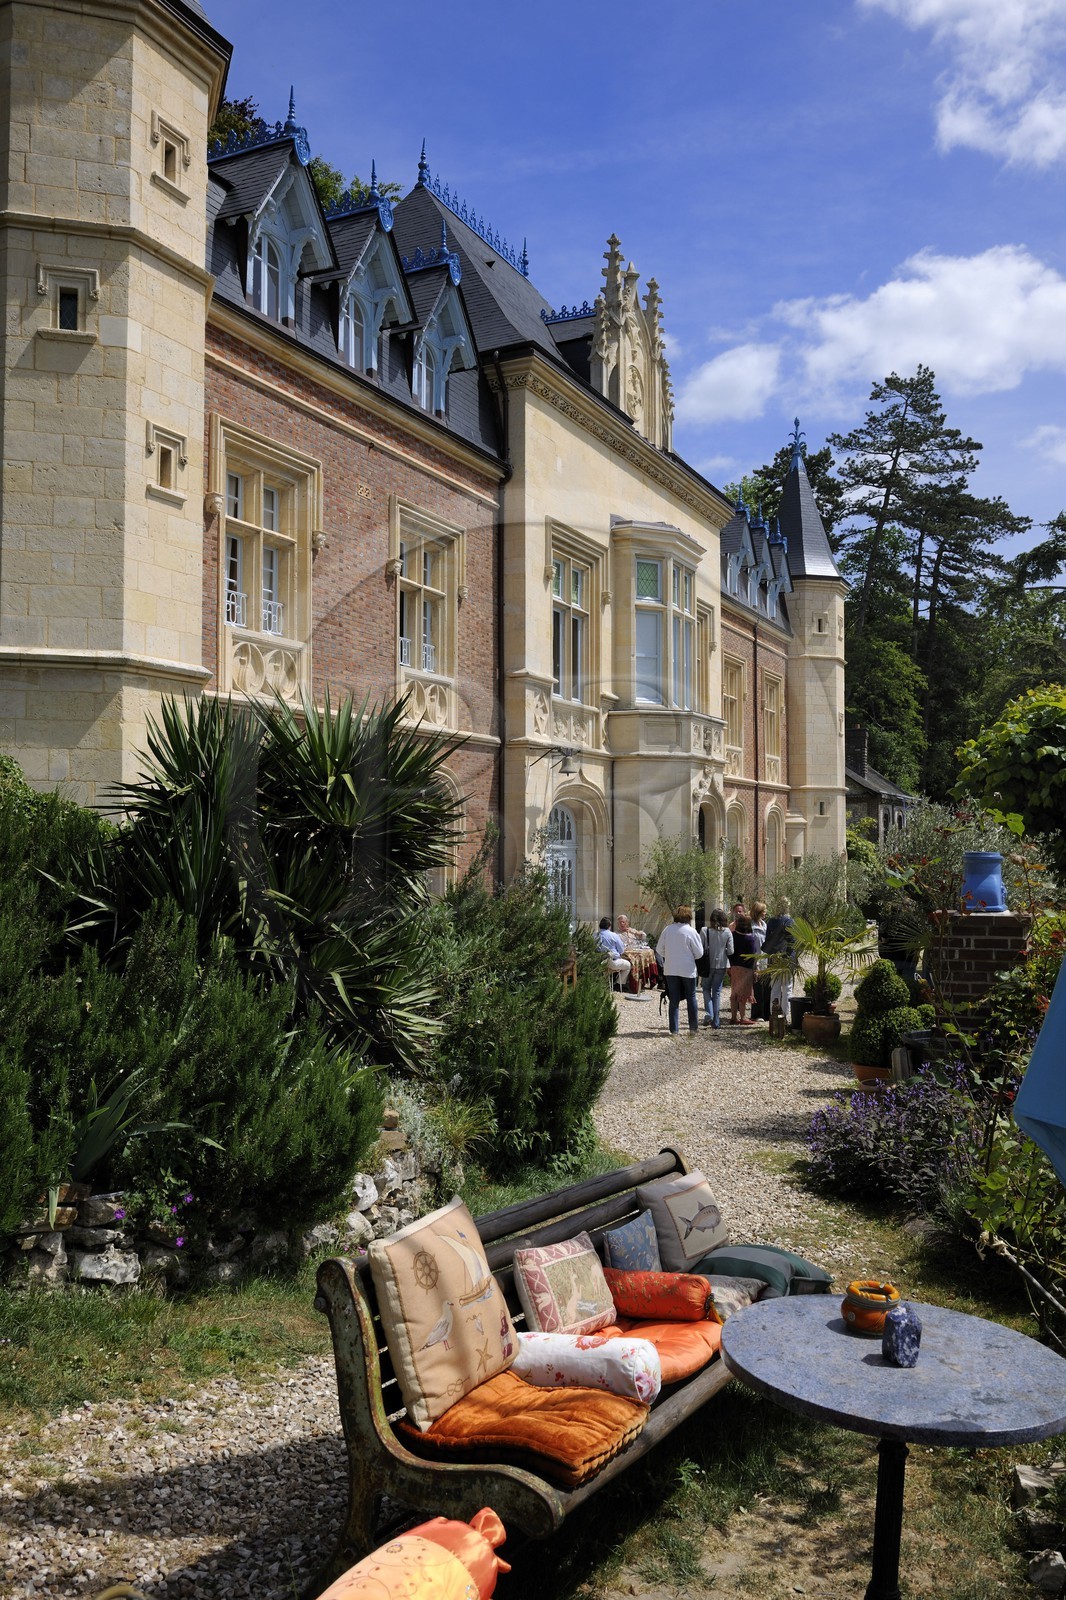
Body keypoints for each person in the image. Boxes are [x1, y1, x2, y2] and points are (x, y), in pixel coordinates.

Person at [655, 904, 704, 1036]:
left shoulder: (668, 930)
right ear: (689, 916)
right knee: (691, 997)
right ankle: (693, 1027)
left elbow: (659, 949)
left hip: (670, 968)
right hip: (687, 969)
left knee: (674, 999)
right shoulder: (691, 931)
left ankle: (674, 1029)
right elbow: (699, 953)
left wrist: (670, 955)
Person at [763, 896, 797, 1021]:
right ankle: (785, 1017)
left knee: (775, 987)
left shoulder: (771, 921)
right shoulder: (790, 921)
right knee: (787, 988)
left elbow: (767, 940)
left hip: (774, 957)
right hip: (787, 957)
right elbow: (793, 942)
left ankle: (774, 1014)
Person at [700, 907, 733, 1028]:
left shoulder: (704, 930)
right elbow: (731, 951)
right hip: (722, 965)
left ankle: (709, 1013)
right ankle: (716, 1022)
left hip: (707, 965)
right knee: (717, 992)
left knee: (706, 989)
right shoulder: (727, 932)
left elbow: (700, 949)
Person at [729, 914, 757, 1024]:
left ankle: (733, 1017)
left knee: (734, 992)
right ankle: (743, 1017)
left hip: (734, 967)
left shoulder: (733, 935)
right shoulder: (750, 938)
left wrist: (731, 964)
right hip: (746, 968)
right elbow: (753, 954)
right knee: (743, 994)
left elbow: (730, 952)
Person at [596, 916, 631, 991]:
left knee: (606, 968)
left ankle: (605, 982)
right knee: (628, 965)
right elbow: (621, 950)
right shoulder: (613, 935)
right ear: (609, 926)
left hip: (599, 962)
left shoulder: (595, 935)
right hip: (612, 962)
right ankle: (618, 984)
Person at [750, 899, 769, 1021]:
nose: (765, 913)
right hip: (756, 959)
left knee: (766, 988)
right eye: (763, 911)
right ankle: (757, 1014)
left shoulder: (764, 924)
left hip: (765, 958)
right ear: (758, 912)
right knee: (757, 988)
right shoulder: (751, 926)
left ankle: (766, 1013)